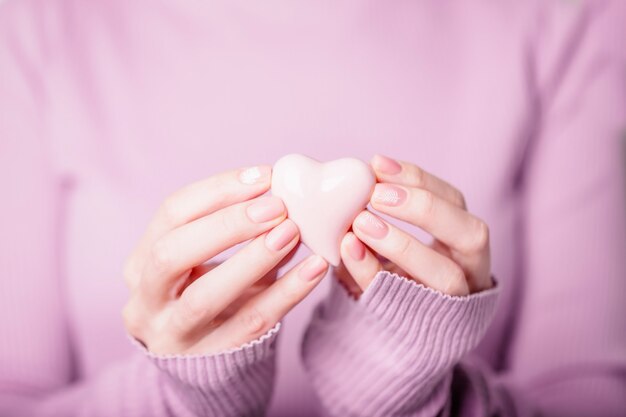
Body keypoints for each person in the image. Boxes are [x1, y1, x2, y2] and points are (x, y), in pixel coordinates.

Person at [1, 0, 625, 416]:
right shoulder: (36, 22)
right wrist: (180, 398)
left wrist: (416, 392)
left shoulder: (568, 18)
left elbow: (595, 400)